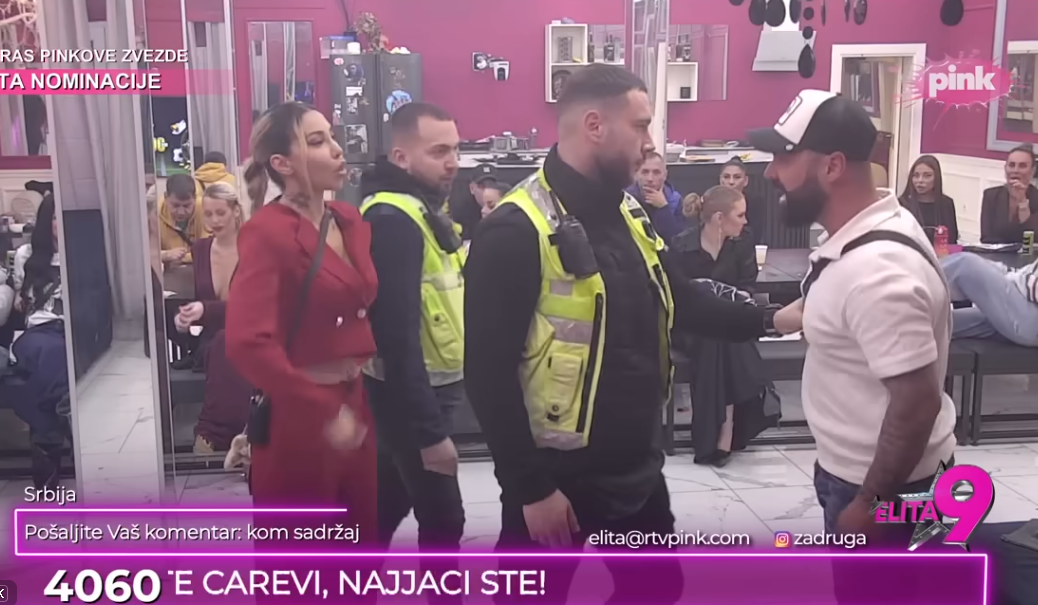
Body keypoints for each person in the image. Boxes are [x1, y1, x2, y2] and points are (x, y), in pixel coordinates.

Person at [464, 64, 799, 603]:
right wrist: (531, 488)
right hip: (556, 475)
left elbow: (679, 298)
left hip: (636, 466)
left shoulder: (627, 211)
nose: (650, 143)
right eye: (641, 125)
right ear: (594, 126)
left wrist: (771, 319)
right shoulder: (515, 228)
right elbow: (486, 374)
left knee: (656, 589)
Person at [748, 89, 956, 604]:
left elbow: (917, 402)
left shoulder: (878, 272)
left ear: (833, 165)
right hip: (859, 474)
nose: (771, 172)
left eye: (784, 157)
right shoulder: (870, 230)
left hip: (887, 489)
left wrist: (871, 502)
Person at [225, 102, 379, 545]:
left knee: (361, 553)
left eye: (331, 136)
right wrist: (322, 408)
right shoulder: (268, 232)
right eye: (317, 141)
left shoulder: (349, 221)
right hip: (301, 417)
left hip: (356, 403)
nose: (336, 148)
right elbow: (248, 342)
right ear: (282, 163)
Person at [358, 102, 466, 551]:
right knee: (444, 519)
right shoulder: (393, 220)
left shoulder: (417, 208)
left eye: (456, 150)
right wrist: (429, 433)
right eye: (439, 152)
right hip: (411, 395)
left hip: (423, 386)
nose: (453, 162)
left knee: (384, 506)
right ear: (401, 157)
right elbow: (395, 334)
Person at [671, 186, 775, 466]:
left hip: (728, 320)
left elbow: (748, 287)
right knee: (718, 337)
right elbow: (676, 296)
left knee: (723, 337)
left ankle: (716, 434)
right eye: (740, 215)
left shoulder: (743, 244)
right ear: (719, 218)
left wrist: (730, 304)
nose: (745, 221)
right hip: (689, 326)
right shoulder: (681, 245)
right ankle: (725, 430)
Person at [173, 182, 251, 452]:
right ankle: (242, 434)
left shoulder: (254, 248)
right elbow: (199, 304)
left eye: (220, 213)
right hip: (210, 343)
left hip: (251, 335)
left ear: (236, 211)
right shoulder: (201, 249)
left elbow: (252, 306)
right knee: (221, 343)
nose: (214, 221)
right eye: (208, 214)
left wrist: (206, 310)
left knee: (229, 343)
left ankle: (212, 433)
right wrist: (184, 319)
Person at [8, 193, 69, 489]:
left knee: (54, 371)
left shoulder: (85, 252)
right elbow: (22, 305)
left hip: (73, 332)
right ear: (46, 221)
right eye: (56, 218)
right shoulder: (26, 255)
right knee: (53, 358)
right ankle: (67, 416)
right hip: (38, 333)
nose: (61, 224)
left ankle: (46, 475)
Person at [941, 252, 1038, 347]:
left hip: (1031, 319)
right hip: (1025, 300)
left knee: (966, 265)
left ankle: (930, 284)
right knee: (944, 322)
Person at [980, 144, 1038, 244]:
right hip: (996, 252)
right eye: (1011, 165)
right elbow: (986, 238)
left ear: (1032, 171)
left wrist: (1022, 202)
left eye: (1022, 166)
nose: (1015, 170)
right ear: (1005, 168)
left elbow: (1033, 239)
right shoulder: (991, 196)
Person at [626, 151, 685, 242]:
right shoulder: (624, 198)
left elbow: (678, 241)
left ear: (665, 175)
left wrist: (663, 207)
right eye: (645, 172)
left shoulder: (675, 200)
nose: (650, 178)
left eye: (656, 172)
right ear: (636, 174)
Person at [899, 155, 958, 244]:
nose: (920, 180)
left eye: (927, 176)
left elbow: (952, 240)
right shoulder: (902, 204)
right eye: (916, 175)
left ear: (936, 178)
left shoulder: (946, 203)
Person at [159, 173, 209, 265]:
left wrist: (180, 258)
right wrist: (166, 255)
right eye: (175, 205)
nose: (181, 212)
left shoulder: (205, 209)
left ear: (195, 198)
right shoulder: (155, 213)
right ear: (166, 197)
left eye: (186, 206)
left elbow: (207, 250)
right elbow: (147, 253)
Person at [718, 157, 764, 244]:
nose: (731, 182)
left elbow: (755, 235)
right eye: (726, 177)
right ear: (720, 180)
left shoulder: (755, 202)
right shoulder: (712, 202)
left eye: (737, 177)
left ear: (745, 181)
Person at [451, 164, 498, 240]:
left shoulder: (506, 209)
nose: (487, 191)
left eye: (491, 186)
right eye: (481, 186)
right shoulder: (459, 213)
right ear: (472, 188)